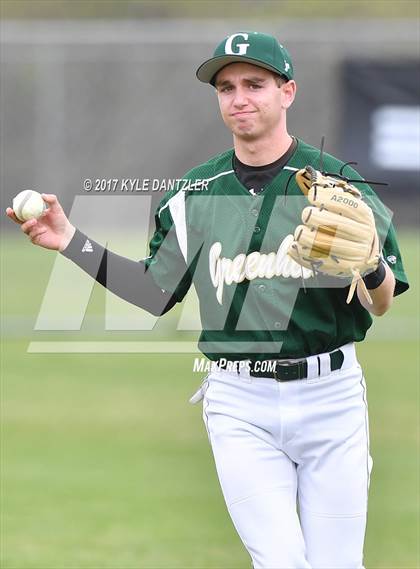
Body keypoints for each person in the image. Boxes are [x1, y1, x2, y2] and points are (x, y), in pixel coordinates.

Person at [7, 31, 409, 569]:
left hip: (332, 400)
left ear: (287, 92)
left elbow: (382, 302)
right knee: (283, 562)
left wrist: (369, 262)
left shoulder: (340, 185)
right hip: (240, 404)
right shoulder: (196, 192)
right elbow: (154, 293)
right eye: (225, 87)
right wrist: (70, 240)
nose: (239, 97)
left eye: (255, 84)